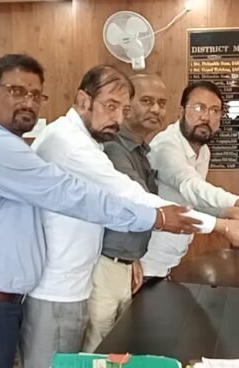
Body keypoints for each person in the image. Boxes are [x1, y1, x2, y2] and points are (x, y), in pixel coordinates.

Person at [0, 54, 198, 368]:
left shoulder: (9, 143)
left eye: (35, 94)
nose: (27, 102)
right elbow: (74, 195)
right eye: (16, 91)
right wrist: (157, 217)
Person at [18, 65, 239, 368]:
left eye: (123, 108)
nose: (118, 117)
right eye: (111, 106)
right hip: (54, 285)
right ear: (83, 100)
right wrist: (219, 224)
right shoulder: (68, 143)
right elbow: (130, 196)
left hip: (76, 281)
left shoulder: (92, 141)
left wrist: (135, 257)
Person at [82, 74, 168, 353]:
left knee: (118, 348)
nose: (156, 109)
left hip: (125, 264)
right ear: (127, 107)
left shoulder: (141, 150)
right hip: (104, 264)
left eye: (161, 103)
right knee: (98, 348)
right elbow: (138, 201)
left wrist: (133, 257)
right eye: (147, 101)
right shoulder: (113, 148)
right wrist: (218, 225)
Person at [141, 80, 239, 281]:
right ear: (181, 111)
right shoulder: (166, 146)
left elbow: (193, 201)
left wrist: (226, 212)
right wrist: (234, 203)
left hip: (172, 259)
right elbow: (191, 186)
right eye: (199, 108)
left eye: (215, 110)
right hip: (147, 261)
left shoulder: (203, 151)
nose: (206, 117)